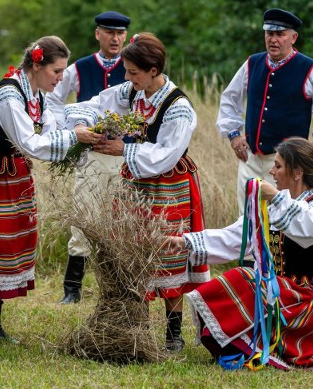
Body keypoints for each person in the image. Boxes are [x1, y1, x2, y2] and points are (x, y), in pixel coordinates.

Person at [0, 36, 102, 347]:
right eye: (57, 71)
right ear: (37, 65)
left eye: (63, 71)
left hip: (12, 175)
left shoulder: (34, 93)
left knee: (8, 247)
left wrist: (77, 133)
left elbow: (49, 129)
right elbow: (30, 143)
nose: (61, 78)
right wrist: (74, 138)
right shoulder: (9, 94)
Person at [65, 32, 210, 352]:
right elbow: (97, 102)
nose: (127, 78)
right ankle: (138, 328)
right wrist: (81, 125)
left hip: (169, 185)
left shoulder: (178, 106)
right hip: (135, 184)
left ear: (154, 70)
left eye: (133, 72)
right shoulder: (133, 91)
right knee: (133, 253)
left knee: (169, 252)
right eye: (127, 72)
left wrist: (123, 149)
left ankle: (174, 334)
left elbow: (165, 154)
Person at [168, 137, 313, 370]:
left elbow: (306, 229)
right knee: (246, 277)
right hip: (279, 295)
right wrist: (184, 242)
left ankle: (265, 343)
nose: (271, 171)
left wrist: (274, 195)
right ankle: (242, 344)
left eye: (278, 166)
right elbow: (235, 237)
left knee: (246, 278)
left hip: (309, 301)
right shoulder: (275, 209)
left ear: (297, 172)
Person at [217, 8, 313, 216]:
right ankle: (251, 251)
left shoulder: (310, 69)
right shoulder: (253, 63)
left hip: (286, 166)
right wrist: (233, 135)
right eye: (270, 34)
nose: (274, 40)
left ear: (293, 37)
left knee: (282, 225)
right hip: (250, 159)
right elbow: (229, 98)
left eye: (280, 34)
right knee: (247, 223)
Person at [44, 11, 130, 305]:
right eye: (109, 32)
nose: (115, 38)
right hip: (89, 155)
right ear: (98, 34)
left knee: (120, 222)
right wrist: (70, 130)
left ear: (126, 36)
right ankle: (72, 290)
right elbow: (53, 101)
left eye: (120, 33)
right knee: (83, 217)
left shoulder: (133, 68)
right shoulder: (79, 68)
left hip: (125, 156)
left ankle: (118, 288)